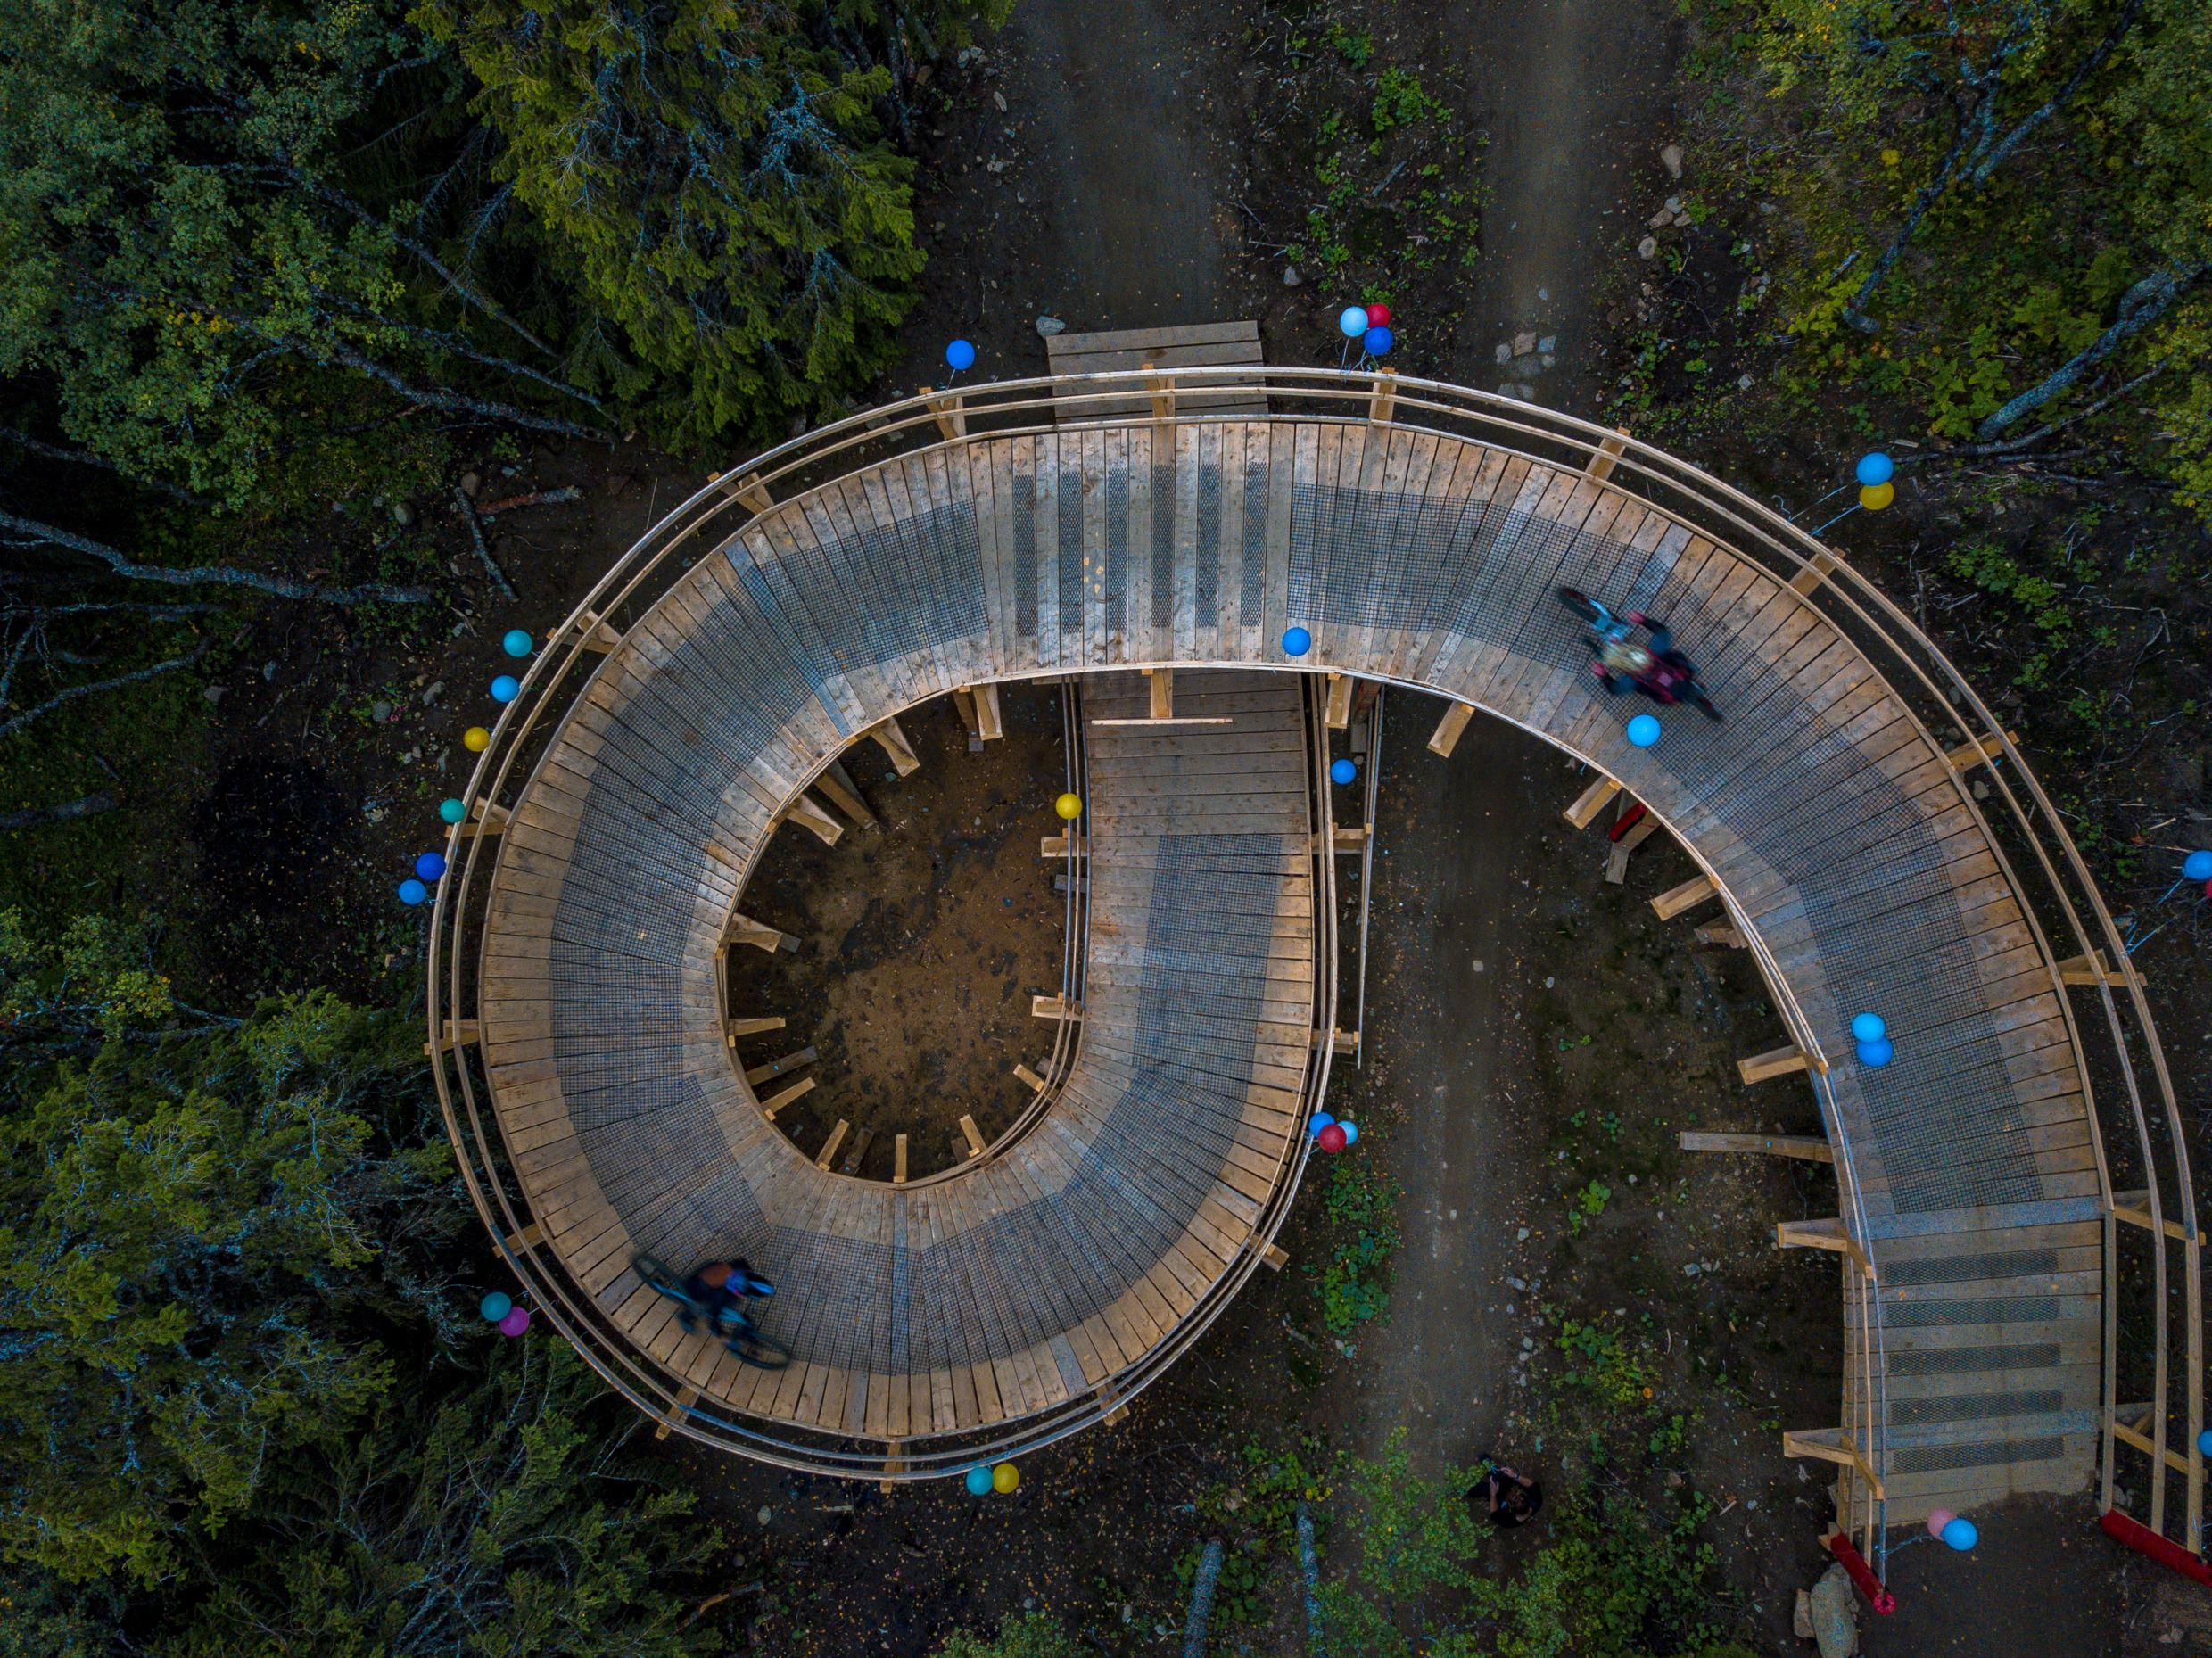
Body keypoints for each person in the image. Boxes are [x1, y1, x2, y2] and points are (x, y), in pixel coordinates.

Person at [1590, 613, 1701, 707]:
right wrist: (1643, 620)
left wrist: (1603, 675)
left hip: (1665, 691)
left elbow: (1615, 690)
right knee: (1680, 662)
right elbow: (1663, 632)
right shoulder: (1657, 651)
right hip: (1678, 673)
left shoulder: (1630, 681)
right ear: (1646, 652)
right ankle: (1691, 675)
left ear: (1628, 670)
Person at [677, 1258, 773, 1338]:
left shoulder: (740, 1265)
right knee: (702, 1307)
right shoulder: (721, 1293)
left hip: (706, 1275)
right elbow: (713, 1321)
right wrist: (723, 1336)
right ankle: (685, 1316)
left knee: (729, 1301)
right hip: (696, 1286)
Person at [1470, 1458, 1543, 1529]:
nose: (1514, 1495)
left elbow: (1494, 1512)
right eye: (1518, 1495)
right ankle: (1492, 1470)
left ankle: (1468, 1489)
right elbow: (1531, 1484)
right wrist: (1515, 1476)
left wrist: (1493, 1494)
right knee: (1500, 1475)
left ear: (1511, 1509)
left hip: (1498, 1498)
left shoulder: (1508, 1522)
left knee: (1483, 1488)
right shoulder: (1536, 1501)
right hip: (1510, 1485)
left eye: (1513, 1500)